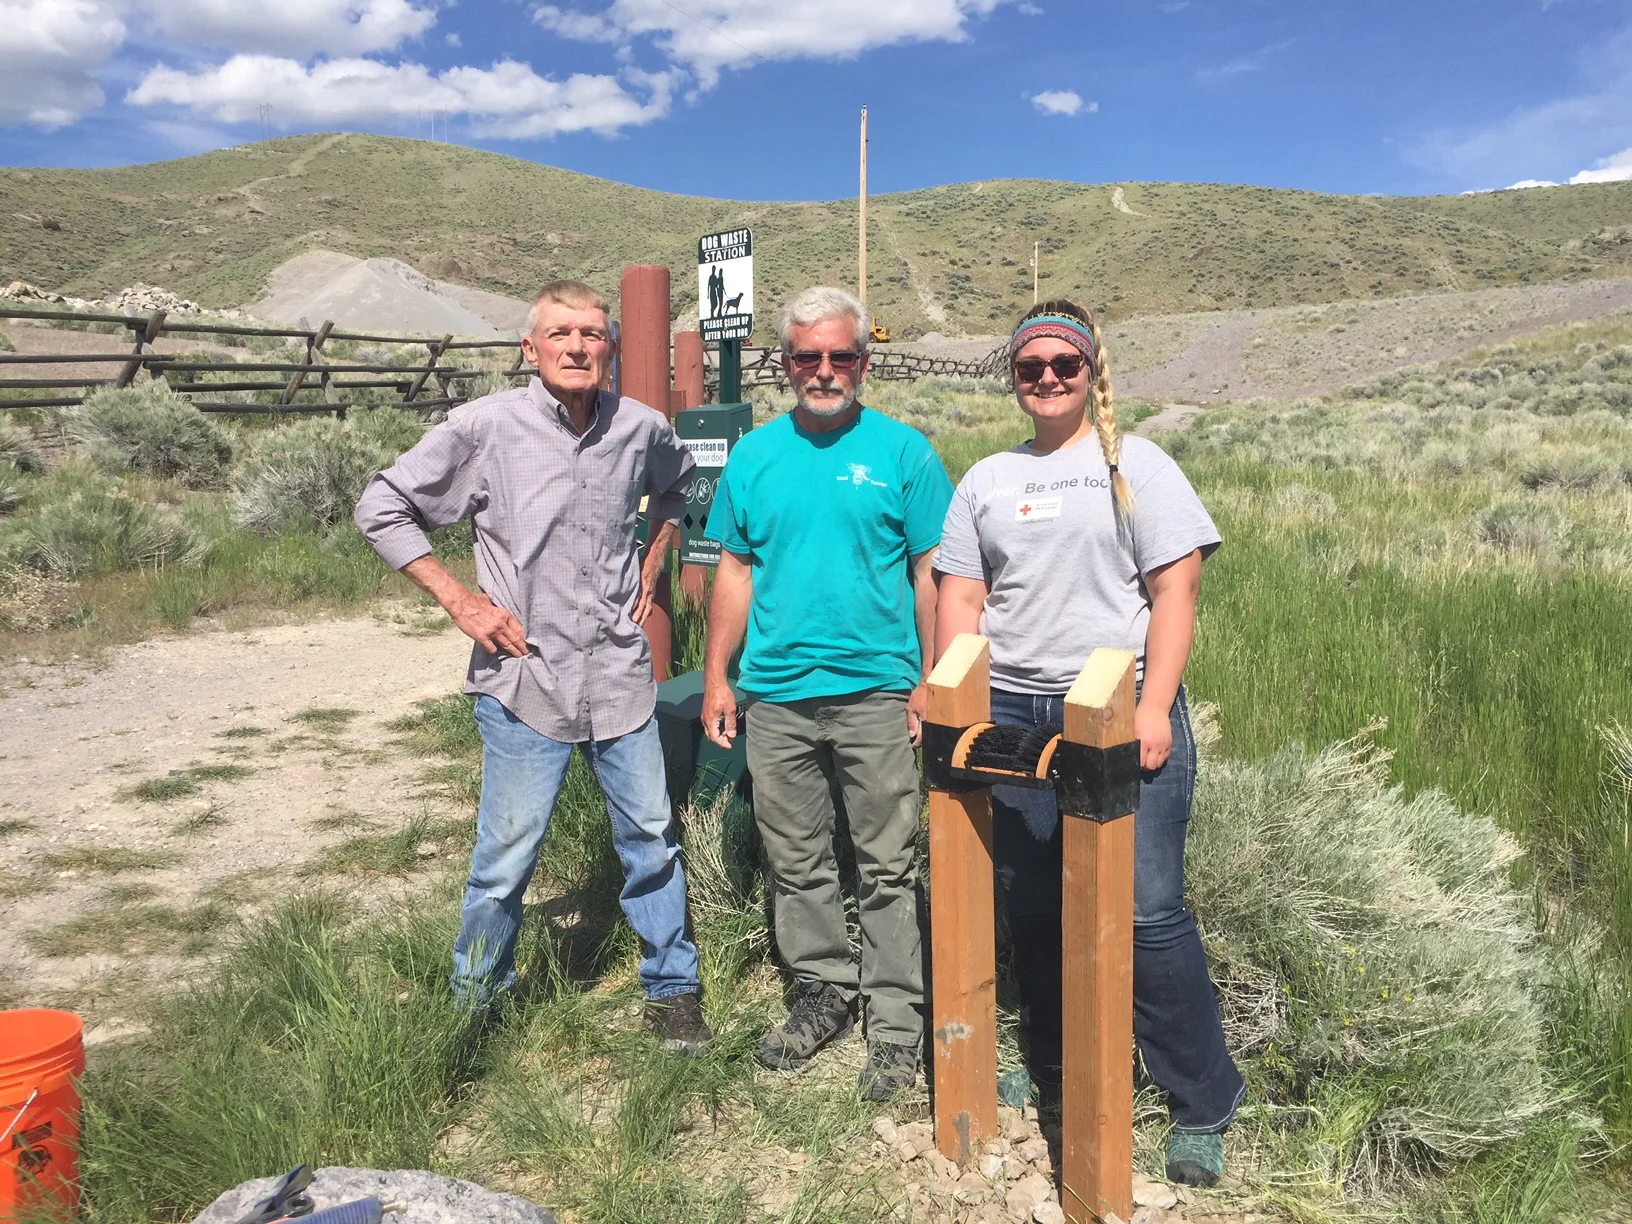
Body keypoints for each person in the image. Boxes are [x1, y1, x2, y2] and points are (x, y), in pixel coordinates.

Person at [355, 279, 712, 1054]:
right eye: (561, 335)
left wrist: (657, 550)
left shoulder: (640, 428)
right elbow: (381, 506)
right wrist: (460, 602)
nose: (578, 348)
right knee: (504, 859)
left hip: (619, 676)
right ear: (530, 348)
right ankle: (476, 1007)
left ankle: (672, 989)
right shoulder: (486, 427)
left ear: (610, 349)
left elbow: (678, 488)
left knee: (651, 838)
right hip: (526, 680)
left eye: (592, 335)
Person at [932, 299, 1244, 1186]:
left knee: (1147, 912)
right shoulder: (986, 478)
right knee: (1034, 900)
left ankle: (1202, 1099)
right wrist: (949, 690)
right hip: (1018, 709)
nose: (1046, 380)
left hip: (1118, 703)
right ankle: (1055, 1061)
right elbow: (962, 595)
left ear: (1091, 370)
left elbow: (1174, 590)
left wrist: (1157, 706)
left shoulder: (1133, 462)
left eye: (1063, 365)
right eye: (1030, 367)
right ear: (1014, 378)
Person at [699, 285, 953, 1099]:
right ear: (785, 364)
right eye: (808, 356)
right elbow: (735, 570)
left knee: (887, 864)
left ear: (864, 363)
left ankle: (896, 1024)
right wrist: (717, 677)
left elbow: (931, 574)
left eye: (841, 355)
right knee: (796, 859)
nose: (824, 370)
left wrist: (929, 680)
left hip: (878, 692)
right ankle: (822, 994)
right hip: (774, 692)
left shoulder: (904, 453)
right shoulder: (754, 457)